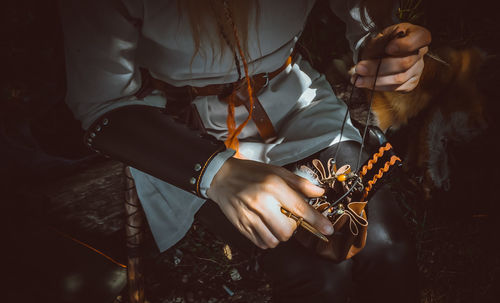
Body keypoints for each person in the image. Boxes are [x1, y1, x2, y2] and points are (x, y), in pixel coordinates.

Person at [60, 0, 431, 301]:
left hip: (295, 101)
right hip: (184, 127)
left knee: (387, 248)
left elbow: (365, 14)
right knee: (316, 278)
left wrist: (380, 43)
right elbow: (102, 104)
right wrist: (219, 174)